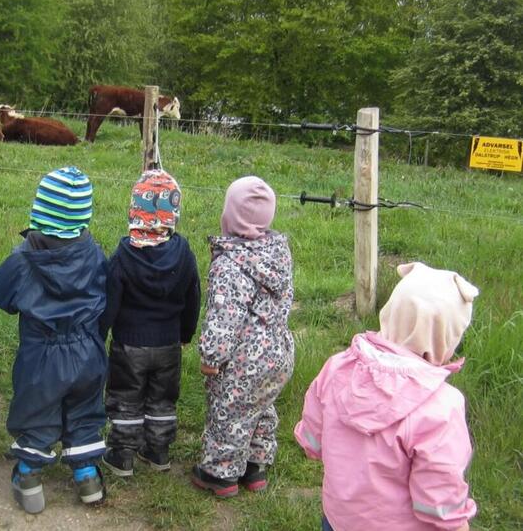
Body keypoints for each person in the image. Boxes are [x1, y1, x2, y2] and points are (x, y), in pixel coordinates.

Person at [294, 262, 479, 531]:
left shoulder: (337, 368)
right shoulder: (440, 407)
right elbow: (438, 500)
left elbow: (312, 439)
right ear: (446, 335)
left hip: (339, 520)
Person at [0, 166, 108, 514]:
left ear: (39, 210)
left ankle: (28, 479)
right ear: (84, 216)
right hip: (88, 351)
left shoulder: (24, 257)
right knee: (84, 412)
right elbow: (105, 294)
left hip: (41, 355)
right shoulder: (94, 253)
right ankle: (87, 479)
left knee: (37, 415)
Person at [192, 176, 294, 498]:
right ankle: (254, 467)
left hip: (243, 358)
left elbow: (224, 316)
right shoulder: (278, 253)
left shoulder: (228, 264)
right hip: (278, 351)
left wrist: (212, 356)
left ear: (229, 215)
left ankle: (219, 475)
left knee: (230, 410)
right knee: (261, 406)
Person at [99, 169, 201, 476]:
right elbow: (193, 295)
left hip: (130, 342)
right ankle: (158, 452)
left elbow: (110, 299)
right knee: (162, 398)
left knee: (126, 396)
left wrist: (101, 333)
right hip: (169, 343)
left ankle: (123, 455)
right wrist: (186, 332)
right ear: (174, 212)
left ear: (134, 209)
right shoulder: (183, 254)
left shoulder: (123, 255)